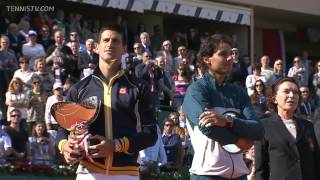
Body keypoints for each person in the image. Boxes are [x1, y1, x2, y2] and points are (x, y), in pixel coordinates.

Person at [58, 24, 157, 179]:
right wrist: (65, 147)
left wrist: (116, 145)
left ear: (124, 48)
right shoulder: (78, 89)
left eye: (116, 41)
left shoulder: (139, 88)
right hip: (88, 172)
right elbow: (62, 130)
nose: (110, 44)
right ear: (97, 47)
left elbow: (150, 134)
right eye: (106, 40)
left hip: (126, 173)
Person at [182, 34, 264, 180]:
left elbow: (258, 129)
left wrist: (228, 121)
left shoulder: (238, 92)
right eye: (223, 54)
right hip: (207, 174)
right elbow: (207, 126)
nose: (230, 58)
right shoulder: (197, 90)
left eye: (231, 54)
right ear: (207, 59)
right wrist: (240, 141)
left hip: (240, 175)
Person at [254, 78, 320, 180]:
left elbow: (316, 162)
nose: (291, 95)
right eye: (286, 91)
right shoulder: (264, 126)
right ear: (274, 98)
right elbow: (261, 169)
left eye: (295, 92)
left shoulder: (308, 126)